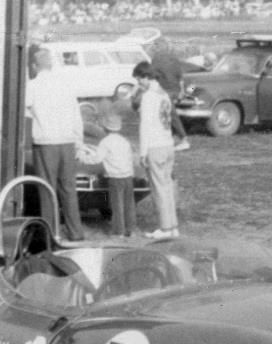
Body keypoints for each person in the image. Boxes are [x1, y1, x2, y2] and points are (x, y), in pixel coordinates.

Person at [25, 48, 87, 241]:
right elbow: (77, 115)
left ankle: (51, 234)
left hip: (46, 143)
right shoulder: (65, 85)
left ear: (34, 66)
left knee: (47, 188)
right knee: (68, 188)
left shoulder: (32, 85)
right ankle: (76, 232)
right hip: (67, 141)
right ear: (51, 64)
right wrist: (79, 141)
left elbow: (25, 109)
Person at [133, 61, 179, 239]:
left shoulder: (148, 97)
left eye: (139, 80)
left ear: (145, 77)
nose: (139, 84)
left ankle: (165, 228)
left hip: (155, 146)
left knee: (159, 189)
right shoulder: (164, 94)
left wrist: (143, 152)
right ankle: (173, 226)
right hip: (168, 144)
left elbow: (145, 126)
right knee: (167, 187)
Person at [78, 111, 137, 237]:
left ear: (105, 128)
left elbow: (97, 159)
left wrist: (83, 158)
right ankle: (131, 229)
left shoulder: (105, 142)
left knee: (117, 205)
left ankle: (118, 231)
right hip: (128, 176)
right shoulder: (124, 141)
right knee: (129, 204)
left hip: (115, 178)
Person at [148, 38, 191, 151]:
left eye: (155, 46)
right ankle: (171, 138)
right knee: (168, 114)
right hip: (176, 91)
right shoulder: (174, 58)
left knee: (171, 115)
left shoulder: (156, 59)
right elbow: (180, 76)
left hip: (164, 91)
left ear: (158, 47)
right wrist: (181, 91)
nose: (154, 48)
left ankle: (184, 139)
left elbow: (152, 75)